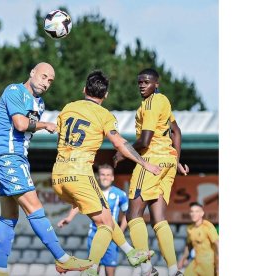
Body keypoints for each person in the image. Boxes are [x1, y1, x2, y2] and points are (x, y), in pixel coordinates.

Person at [0, 62, 93, 276]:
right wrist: (46, 125)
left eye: (50, 81)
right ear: (32, 73)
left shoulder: (40, 104)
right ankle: (62, 259)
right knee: (35, 207)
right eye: (44, 77)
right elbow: (20, 125)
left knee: (9, 217)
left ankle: (0, 270)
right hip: (9, 158)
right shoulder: (14, 90)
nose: (46, 83)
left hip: (10, 159)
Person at [51, 70, 160, 276]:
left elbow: (59, 135)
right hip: (80, 174)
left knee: (106, 218)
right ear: (106, 95)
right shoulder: (104, 115)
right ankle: (90, 269)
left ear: (84, 90)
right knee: (105, 226)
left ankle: (132, 254)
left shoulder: (68, 108)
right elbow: (121, 143)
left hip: (58, 176)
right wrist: (144, 163)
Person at [113, 68, 190, 276]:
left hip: (151, 161)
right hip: (168, 164)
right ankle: (174, 269)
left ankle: (147, 269)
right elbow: (176, 131)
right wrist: (176, 160)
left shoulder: (149, 104)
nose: (142, 85)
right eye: (139, 82)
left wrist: (123, 151)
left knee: (133, 214)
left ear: (156, 83)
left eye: (146, 82)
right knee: (159, 217)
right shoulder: (164, 100)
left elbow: (145, 140)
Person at [57, 164, 129, 276]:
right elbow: (78, 204)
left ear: (112, 177)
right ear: (98, 177)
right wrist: (69, 218)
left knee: (110, 272)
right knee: (92, 270)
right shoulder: (91, 192)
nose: (105, 177)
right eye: (103, 175)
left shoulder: (120, 194)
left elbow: (126, 214)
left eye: (108, 175)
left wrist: (120, 231)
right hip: (94, 235)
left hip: (111, 239)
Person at [177, 202, 219, 276]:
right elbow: (189, 245)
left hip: (209, 263)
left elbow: (218, 244)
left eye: (197, 211)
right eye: (192, 211)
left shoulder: (208, 226)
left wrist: (218, 264)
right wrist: (182, 259)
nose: (193, 214)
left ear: (202, 213)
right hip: (196, 262)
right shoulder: (190, 228)